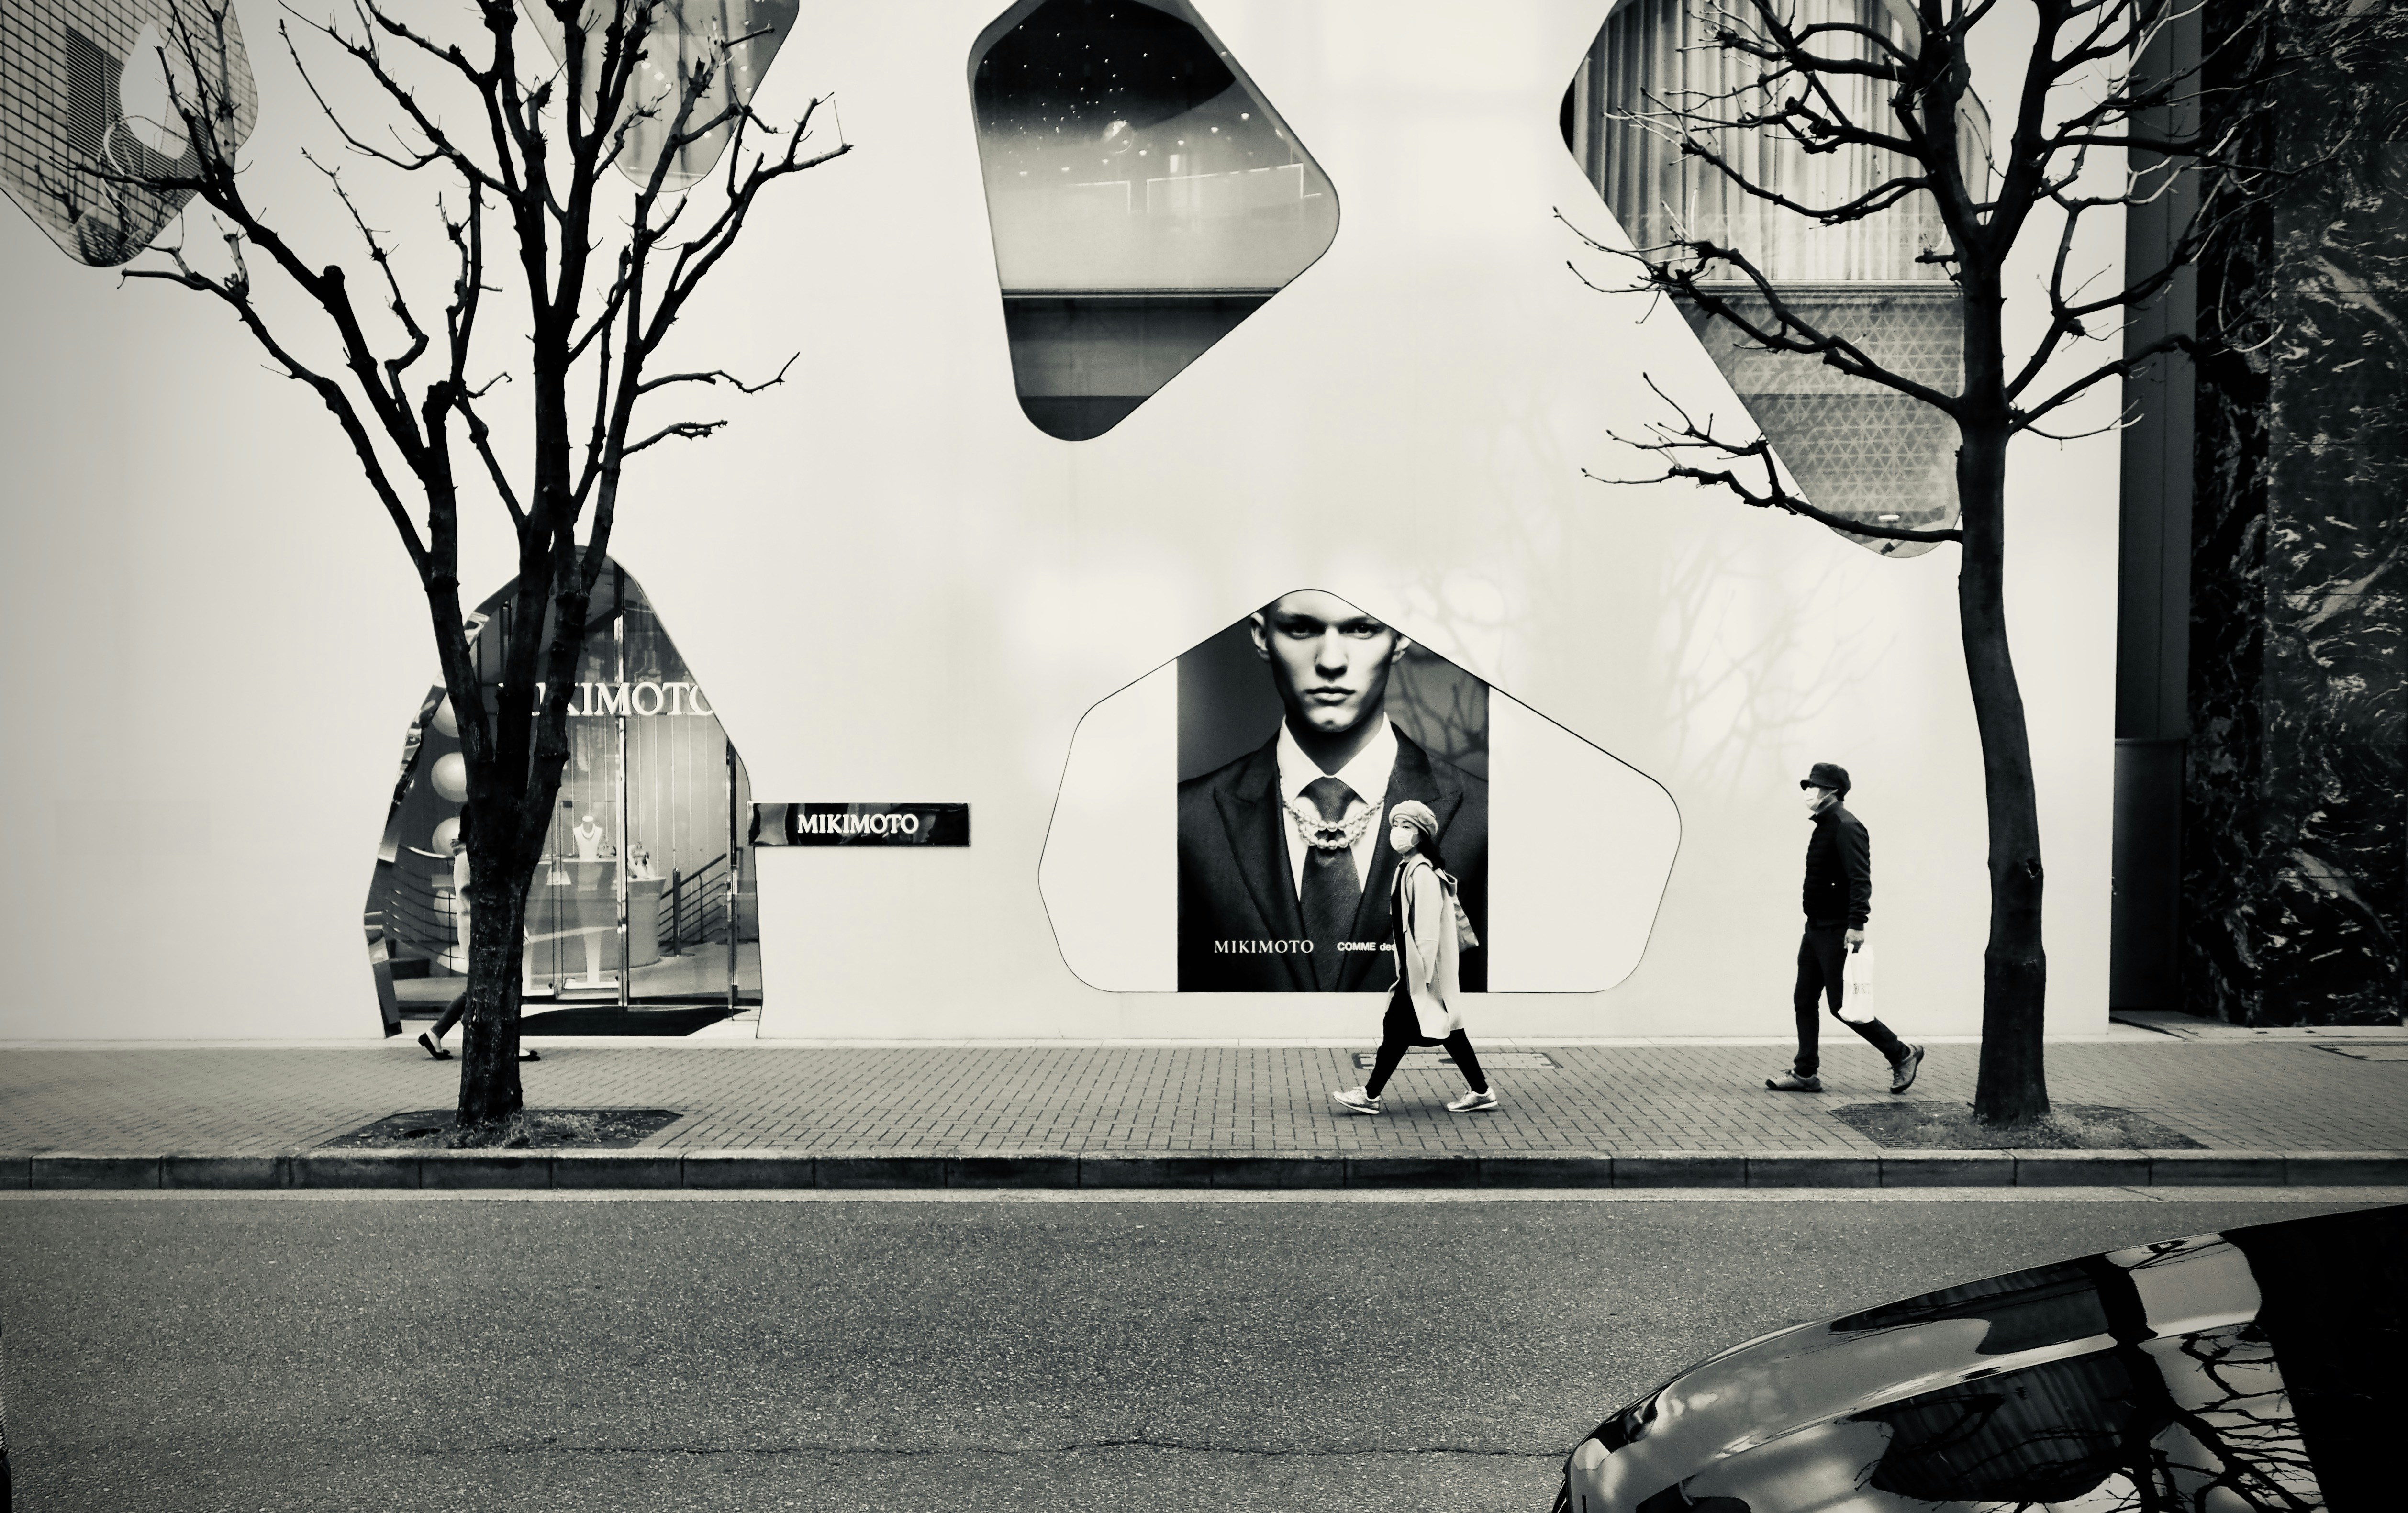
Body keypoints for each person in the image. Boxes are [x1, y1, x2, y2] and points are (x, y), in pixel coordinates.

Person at [1176, 590, 1488, 992]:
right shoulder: (1184, 822)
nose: (1331, 662)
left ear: (1402, 635)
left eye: (1361, 628)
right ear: (1261, 634)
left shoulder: (1488, 820)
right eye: (1301, 628)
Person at [1767, 762, 1921, 1094]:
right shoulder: (1824, 825)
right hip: (1815, 928)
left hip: (1837, 930)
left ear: (1832, 791)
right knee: (1804, 1000)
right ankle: (1805, 1072)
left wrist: (1857, 924)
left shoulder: (1846, 826)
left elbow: (1859, 878)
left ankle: (1901, 1054)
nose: (1810, 792)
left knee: (1842, 1007)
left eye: (1815, 787)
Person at [1330, 800, 1494, 1113]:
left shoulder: (1422, 873)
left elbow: (1428, 930)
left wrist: (1421, 976)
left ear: (1422, 835)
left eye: (1408, 827)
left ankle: (1369, 1095)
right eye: (1396, 825)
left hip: (1423, 969)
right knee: (1447, 1030)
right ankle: (1481, 1091)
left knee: (1396, 1030)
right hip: (1417, 968)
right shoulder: (1408, 868)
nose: (1399, 833)